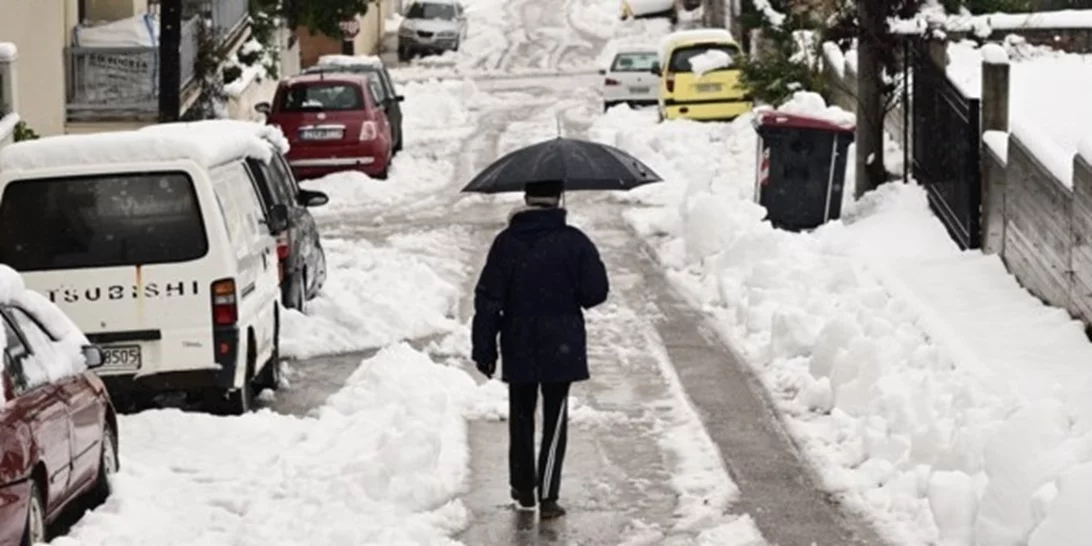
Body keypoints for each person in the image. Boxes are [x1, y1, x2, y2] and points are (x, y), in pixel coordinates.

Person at [471, 179, 610, 520]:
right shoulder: (574, 242)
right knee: (555, 419)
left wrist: (484, 348)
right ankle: (549, 496)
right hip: (561, 343)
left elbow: (488, 299)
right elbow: (595, 293)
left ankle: (523, 489)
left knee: (521, 416)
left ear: (526, 198)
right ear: (558, 198)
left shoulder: (506, 243)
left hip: (518, 340)